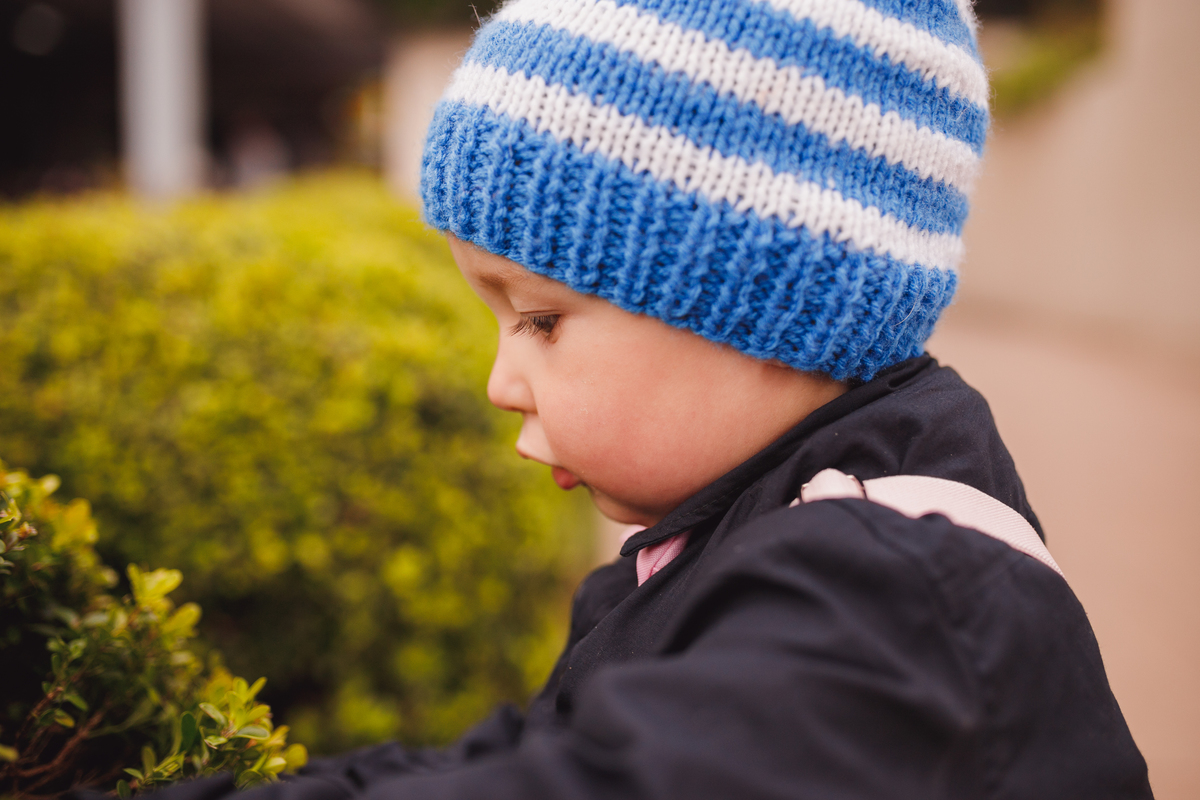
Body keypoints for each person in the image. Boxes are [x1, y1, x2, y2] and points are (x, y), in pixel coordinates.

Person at [124, 0, 1153, 797]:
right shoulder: (739, 537)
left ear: (758, 302)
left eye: (540, 317)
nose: (498, 380)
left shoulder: (884, 611)